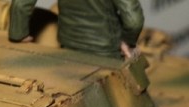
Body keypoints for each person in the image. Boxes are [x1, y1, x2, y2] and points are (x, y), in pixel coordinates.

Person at [8, 0, 144, 61]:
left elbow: (21, 4)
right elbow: (134, 20)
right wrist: (127, 41)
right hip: (105, 53)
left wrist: (18, 33)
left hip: (68, 46)